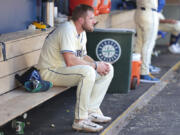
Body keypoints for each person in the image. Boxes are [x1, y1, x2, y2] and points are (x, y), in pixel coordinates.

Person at [37, 4, 114, 132]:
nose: (94, 21)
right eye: (91, 18)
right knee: (88, 72)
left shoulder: (82, 33)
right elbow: (71, 60)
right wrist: (95, 66)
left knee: (108, 68)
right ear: (81, 20)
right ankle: (80, 120)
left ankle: (91, 110)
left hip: (63, 71)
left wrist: (98, 64)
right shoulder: (67, 29)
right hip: (49, 72)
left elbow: (82, 56)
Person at [134, 0, 160, 83]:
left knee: (139, 44)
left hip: (138, 12)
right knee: (148, 45)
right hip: (150, 13)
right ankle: (144, 72)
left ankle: (136, 70)